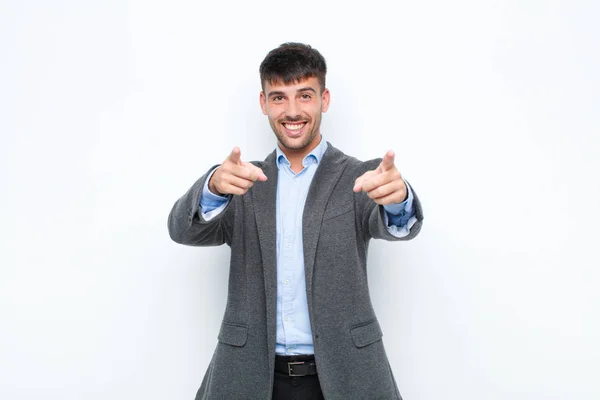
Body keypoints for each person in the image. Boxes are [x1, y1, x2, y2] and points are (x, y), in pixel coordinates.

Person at [168, 42, 424, 400]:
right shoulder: (242, 181)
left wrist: (399, 199)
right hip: (252, 375)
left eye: (305, 95)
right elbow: (182, 230)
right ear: (263, 104)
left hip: (343, 375)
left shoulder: (359, 176)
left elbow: (400, 225)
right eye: (278, 97)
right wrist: (212, 187)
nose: (292, 111)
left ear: (325, 99)